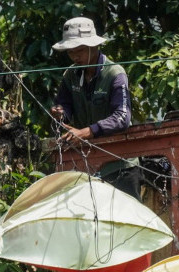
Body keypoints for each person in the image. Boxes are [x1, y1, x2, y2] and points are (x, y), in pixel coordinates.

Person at [51, 17, 141, 200]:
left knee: (127, 220)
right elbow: (65, 106)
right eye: (71, 52)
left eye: (81, 51)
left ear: (94, 47)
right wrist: (61, 114)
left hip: (120, 165)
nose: (76, 57)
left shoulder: (115, 74)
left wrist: (86, 132)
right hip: (88, 165)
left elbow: (122, 118)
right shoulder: (71, 75)